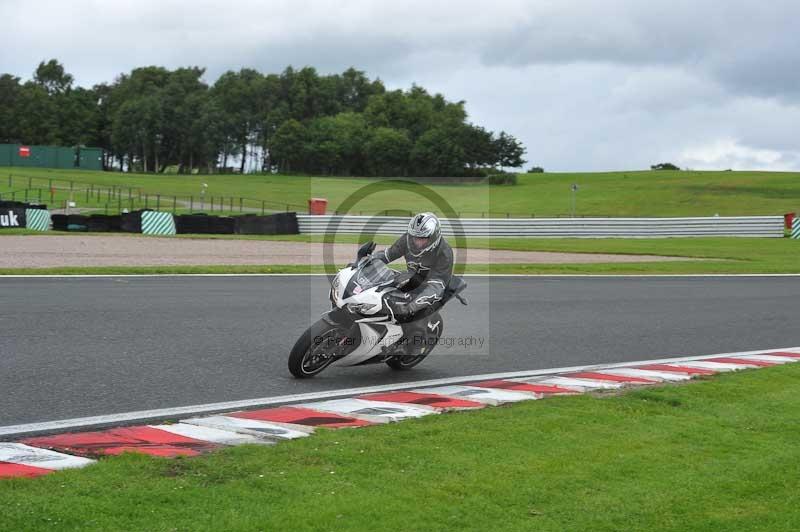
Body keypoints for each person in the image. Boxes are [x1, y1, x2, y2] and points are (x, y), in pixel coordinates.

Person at [375, 212, 454, 323]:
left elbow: (436, 286)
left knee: (414, 321)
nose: (417, 242)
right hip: (413, 278)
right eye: (415, 237)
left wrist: (410, 307)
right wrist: (366, 261)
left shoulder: (444, 253)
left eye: (422, 238)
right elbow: (388, 254)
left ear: (433, 237)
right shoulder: (407, 240)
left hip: (433, 285)